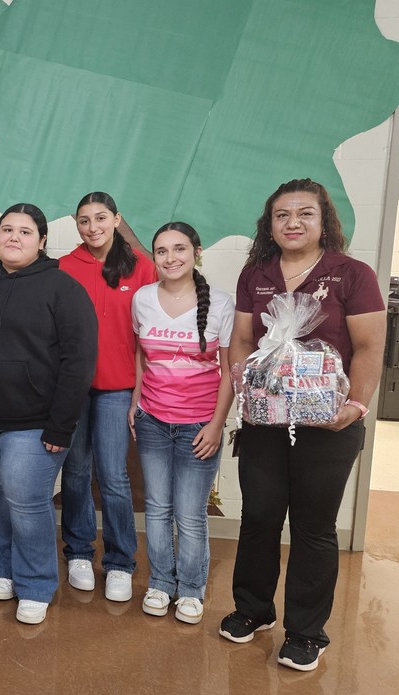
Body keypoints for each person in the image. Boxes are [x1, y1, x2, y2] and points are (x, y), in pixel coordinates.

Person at [219, 179, 386, 671]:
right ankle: (253, 609)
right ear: (269, 225)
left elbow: (371, 347)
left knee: (313, 526)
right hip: (266, 421)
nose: (293, 223)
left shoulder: (351, 274)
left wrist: (354, 406)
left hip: (329, 422)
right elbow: (243, 340)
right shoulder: (257, 274)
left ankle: (307, 632)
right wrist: (245, 387)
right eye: (282, 215)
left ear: (323, 221)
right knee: (260, 516)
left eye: (304, 214)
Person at [0, 203, 97, 625]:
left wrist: (61, 424)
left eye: (25, 232)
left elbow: (79, 361)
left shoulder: (64, 289)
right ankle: (6, 570)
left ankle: (36, 583)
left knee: (27, 500)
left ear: (42, 240)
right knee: (6, 495)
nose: (13, 237)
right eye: (7, 230)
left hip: (35, 422)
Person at [129, 222, 235, 624]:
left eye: (179, 249)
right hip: (153, 420)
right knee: (156, 508)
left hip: (198, 425)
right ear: (153, 257)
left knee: (190, 513)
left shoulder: (221, 304)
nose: (170, 258)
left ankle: (190, 590)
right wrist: (137, 401)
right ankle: (160, 583)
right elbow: (142, 358)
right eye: (161, 251)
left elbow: (229, 371)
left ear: (197, 253)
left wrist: (217, 423)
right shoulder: (142, 299)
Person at [58, 191, 157, 602]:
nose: (92, 227)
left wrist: (141, 391)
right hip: (74, 387)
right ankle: (79, 551)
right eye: (84, 220)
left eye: (101, 218)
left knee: (113, 476)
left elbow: (148, 336)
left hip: (119, 389)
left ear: (117, 219)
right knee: (76, 471)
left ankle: (119, 561)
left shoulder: (143, 267)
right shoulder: (64, 266)